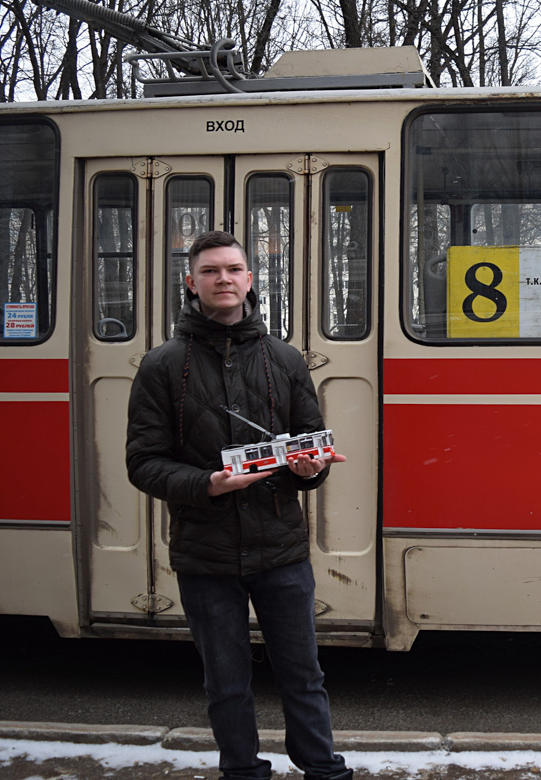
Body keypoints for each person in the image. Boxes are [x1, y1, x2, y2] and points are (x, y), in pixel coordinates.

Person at [126, 230, 351, 780]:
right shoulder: (160, 365)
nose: (222, 279)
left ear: (249, 280)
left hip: (282, 550)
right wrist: (208, 484)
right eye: (210, 271)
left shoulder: (285, 358)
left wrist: (309, 470)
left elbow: (308, 444)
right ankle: (243, 772)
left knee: (303, 674)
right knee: (226, 682)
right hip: (206, 554)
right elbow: (144, 463)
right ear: (191, 282)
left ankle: (323, 769)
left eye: (232, 269)